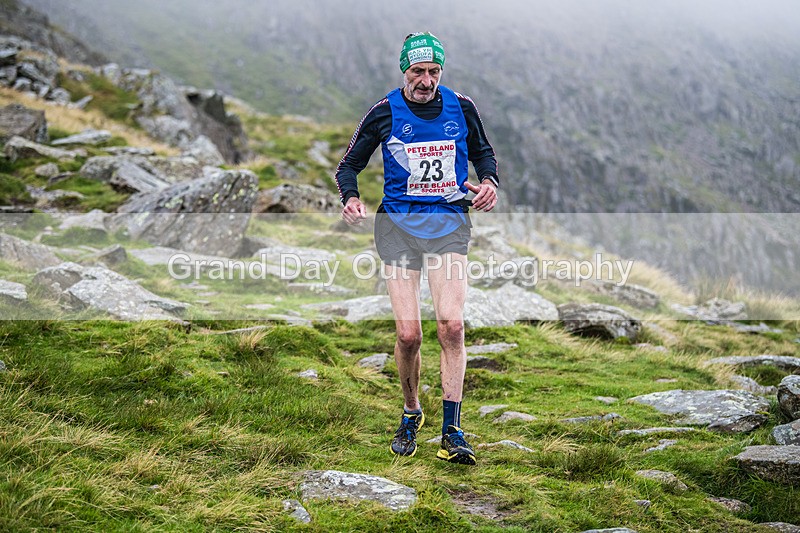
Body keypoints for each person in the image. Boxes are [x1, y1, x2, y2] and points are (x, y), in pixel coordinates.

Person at [335, 32, 499, 465]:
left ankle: (452, 432)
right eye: (418, 72)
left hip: (448, 225)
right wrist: (350, 198)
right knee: (409, 335)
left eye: (433, 71)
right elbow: (348, 165)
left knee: (452, 327)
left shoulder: (461, 107)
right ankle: (411, 412)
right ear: (404, 70)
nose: (426, 81)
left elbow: (484, 154)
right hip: (398, 229)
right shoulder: (384, 112)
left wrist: (489, 182)